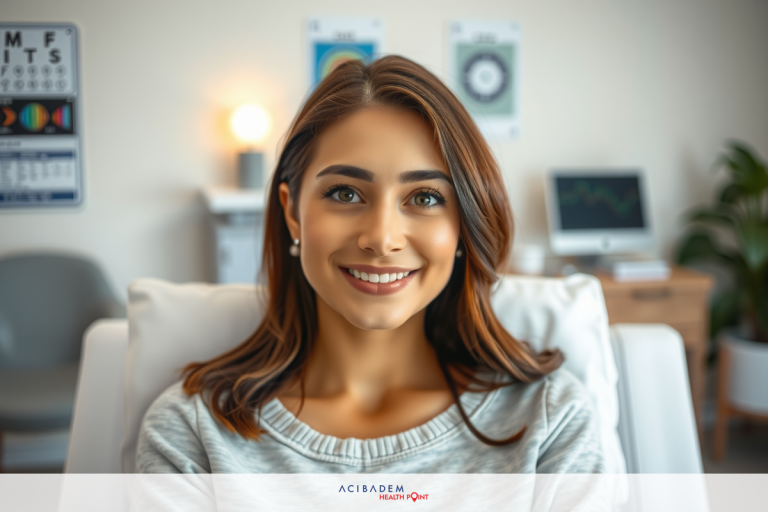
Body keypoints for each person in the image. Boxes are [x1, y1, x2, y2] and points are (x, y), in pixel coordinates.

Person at [136, 55, 605, 474]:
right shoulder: (193, 432)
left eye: (424, 197)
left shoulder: (550, 419)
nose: (381, 239)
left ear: (463, 226)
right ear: (293, 212)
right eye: (345, 193)